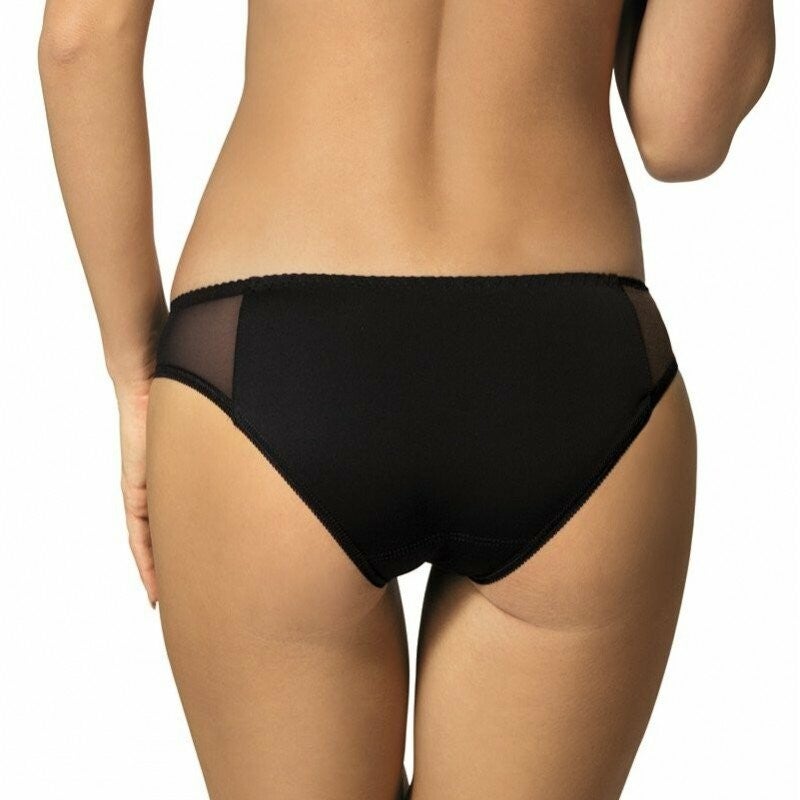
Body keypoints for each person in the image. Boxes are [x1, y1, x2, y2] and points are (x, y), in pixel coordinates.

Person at [38, 1, 775, 798]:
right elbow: (682, 131)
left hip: (276, 354)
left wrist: (134, 372)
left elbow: (82, 41)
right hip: (567, 360)